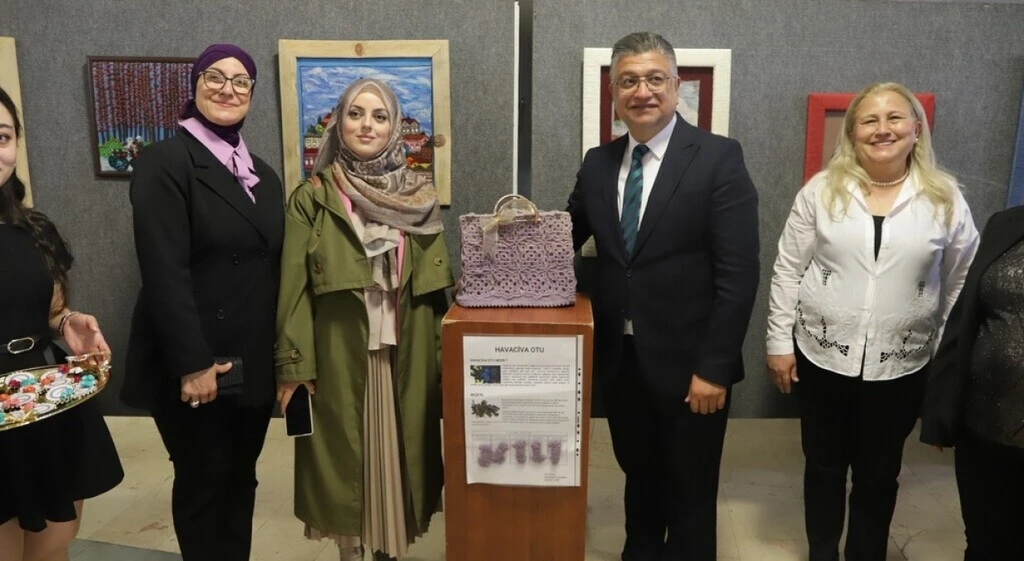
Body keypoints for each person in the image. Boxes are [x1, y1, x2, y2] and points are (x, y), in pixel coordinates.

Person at [565, 32, 760, 561]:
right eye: (628, 80)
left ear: (676, 86)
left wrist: (715, 368)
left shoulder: (718, 158)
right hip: (621, 360)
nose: (642, 91)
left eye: (655, 79)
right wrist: (501, 246)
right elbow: (562, 238)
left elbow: (739, 274)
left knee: (690, 492)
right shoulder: (598, 162)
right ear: (613, 92)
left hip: (693, 366)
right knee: (640, 478)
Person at [766, 82, 979, 561]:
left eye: (895, 118)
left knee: (879, 474)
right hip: (822, 356)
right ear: (852, 133)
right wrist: (778, 342)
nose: (883, 129)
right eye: (869, 120)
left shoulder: (945, 199)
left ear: (916, 129)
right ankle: (822, 551)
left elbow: (961, 285)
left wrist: (946, 363)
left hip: (901, 365)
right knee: (822, 466)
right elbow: (788, 269)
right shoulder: (821, 191)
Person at [275, 78, 452, 561]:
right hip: (339, 358)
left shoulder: (419, 199)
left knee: (400, 464)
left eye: (379, 116)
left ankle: (389, 551)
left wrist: (446, 366)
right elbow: (293, 291)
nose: (366, 125)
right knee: (346, 467)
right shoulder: (313, 197)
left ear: (395, 127)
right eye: (355, 114)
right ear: (338, 123)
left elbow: (436, 296)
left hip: (405, 357)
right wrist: (294, 367)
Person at [120, 44, 284, 561]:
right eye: (215, 77)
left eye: (241, 81)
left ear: (252, 94)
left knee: (240, 480)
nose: (227, 89)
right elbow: (163, 271)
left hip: (249, 361)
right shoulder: (166, 162)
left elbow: (271, 270)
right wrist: (192, 364)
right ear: (194, 86)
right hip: (195, 363)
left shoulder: (262, 174)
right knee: (204, 484)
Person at [0, 86, 124, 561]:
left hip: (41, 398)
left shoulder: (34, 229)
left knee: (53, 545)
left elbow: (51, 309)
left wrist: (67, 322)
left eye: (3, 136)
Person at [920, 206, 1024, 559]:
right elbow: (965, 316)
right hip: (982, 425)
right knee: (983, 541)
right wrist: (940, 409)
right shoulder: (1006, 224)